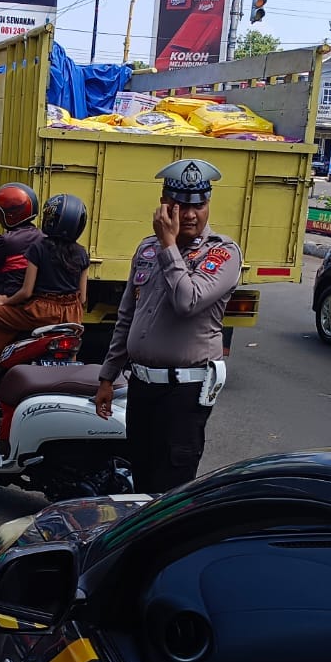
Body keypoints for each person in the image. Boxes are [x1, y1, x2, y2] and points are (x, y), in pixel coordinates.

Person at [93, 159, 242, 494]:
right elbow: (127, 316)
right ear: (164, 204)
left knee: (170, 487)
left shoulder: (221, 253)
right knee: (140, 476)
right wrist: (107, 377)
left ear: (208, 205)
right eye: (179, 205)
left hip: (184, 393)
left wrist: (169, 247)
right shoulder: (147, 249)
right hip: (142, 386)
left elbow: (187, 301)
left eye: (198, 205)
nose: (190, 214)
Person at [0, 193, 90, 382]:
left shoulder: (39, 247)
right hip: (72, 315)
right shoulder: (82, 253)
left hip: (40, 313)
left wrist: (4, 301)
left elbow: (26, 291)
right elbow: (83, 298)